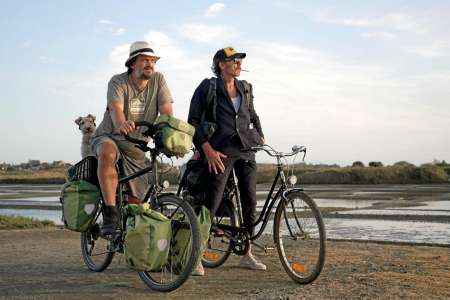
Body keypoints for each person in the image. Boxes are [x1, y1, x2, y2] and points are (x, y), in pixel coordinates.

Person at [188, 47, 266, 275]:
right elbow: (193, 121)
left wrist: (260, 135)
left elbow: (253, 115)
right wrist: (207, 150)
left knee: (250, 201)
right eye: (234, 60)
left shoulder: (245, 88)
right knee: (212, 202)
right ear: (222, 64)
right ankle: (196, 257)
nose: (239, 64)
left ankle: (246, 254)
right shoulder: (207, 87)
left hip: (245, 150)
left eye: (240, 60)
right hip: (219, 152)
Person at [91, 41, 174, 236]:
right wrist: (122, 123)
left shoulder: (159, 80)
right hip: (110, 136)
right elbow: (116, 109)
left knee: (136, 206)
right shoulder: (117, 81)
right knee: (107, 152)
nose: (150, 64)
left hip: (137, 147)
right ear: (132, 64)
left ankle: (132, 244)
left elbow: (167, 113)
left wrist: (172, 137)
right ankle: (110, 212)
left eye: (152, 61)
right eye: (144, 60)